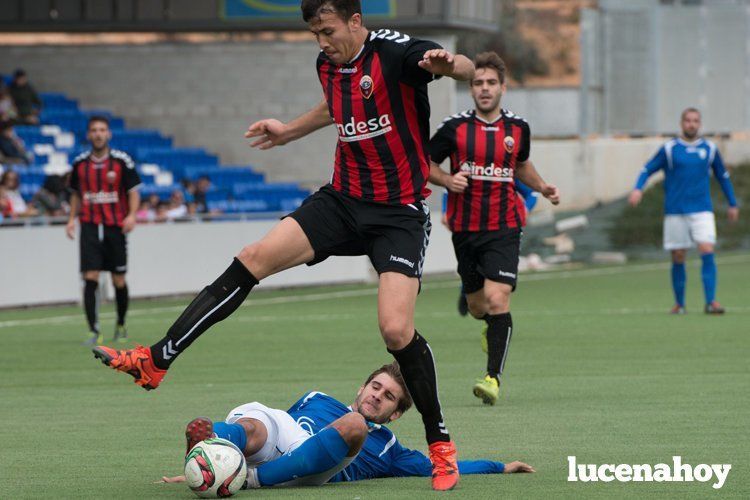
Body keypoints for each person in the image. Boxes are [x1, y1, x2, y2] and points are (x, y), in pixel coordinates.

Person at [91, 0, 474, 491]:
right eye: (315, 33)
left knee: (396, 331)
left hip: (398, 212)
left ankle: (440, 443)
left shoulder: (397, 53)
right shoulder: (326, 64)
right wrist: (289, 131)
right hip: (342, 200)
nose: (322, 41)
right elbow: (335, 107)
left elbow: (460, 64)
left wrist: (452, 66)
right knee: (252, 259)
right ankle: (155, 360)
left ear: (356, 22)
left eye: (329, 30)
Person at [160, 363, 534, 489]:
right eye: (375, 387)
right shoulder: (316, 398)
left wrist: (500, 466)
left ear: (394, 414)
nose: (376, 396)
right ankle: (212, 449)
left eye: (387, 396)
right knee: (260, 419)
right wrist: (215, 460)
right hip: (287, 445)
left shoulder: (388, 447)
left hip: (318, 466)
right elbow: (272, 435)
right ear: (362, 386)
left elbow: (443, 466)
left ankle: (249, 479)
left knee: (353, 423)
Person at [428, 52, 560, 406]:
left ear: (503, 87)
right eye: (477, 83)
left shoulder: (518, 128)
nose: (484, 89)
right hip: (465, 227)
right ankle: (490, 326)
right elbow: (423, 163)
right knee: (476, 306)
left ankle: (492, 378)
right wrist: (445, 179)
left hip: (505, 225)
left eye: (490, 83)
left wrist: (542, 186)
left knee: (497, 298)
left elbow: (521, 166)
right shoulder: (454, 128)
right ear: (470, 89)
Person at [628, 108, 739, 315]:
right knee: (678, 256)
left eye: (695, 121)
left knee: (707, 249)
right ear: (681, 123)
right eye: (688, 120)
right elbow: (647, 169)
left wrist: (732, 203)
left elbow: (723, 177)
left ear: (700, 124)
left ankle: (711, 302)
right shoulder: (670, 149)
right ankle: (679, 304)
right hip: (675, 211)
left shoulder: (710, 149)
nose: (691, 124)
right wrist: (638, 188)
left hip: (702, 210)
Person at [66, 116, 141, 345]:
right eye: (94, 130)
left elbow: (133, 191)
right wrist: (71, 220)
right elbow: (76, 194)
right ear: (88, 135)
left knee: (119, 278)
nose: (98, 134)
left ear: (108, 134)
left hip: (114, 227)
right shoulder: (79, 164)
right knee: (90, 277)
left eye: (102, 130)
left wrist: (131, 215)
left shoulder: (121, 161)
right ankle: (94, 330)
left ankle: (120, 323)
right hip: (89, 226)